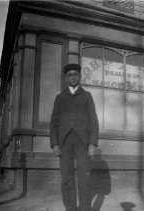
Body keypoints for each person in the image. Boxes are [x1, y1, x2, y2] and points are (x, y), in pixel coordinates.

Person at [50, 63, 99, 211]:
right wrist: (55, 144)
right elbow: (54, 122)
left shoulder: (86, 96)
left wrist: (92, 144)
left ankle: (85, 208)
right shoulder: (60, 97)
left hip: (83, 142)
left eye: (75, 75)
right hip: (64, 142)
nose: (73, 77)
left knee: (84, 178)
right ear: (66, 78)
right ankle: (70, 208)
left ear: (79, 77)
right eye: (70, 75)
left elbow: (93, 121)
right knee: (66, 179)